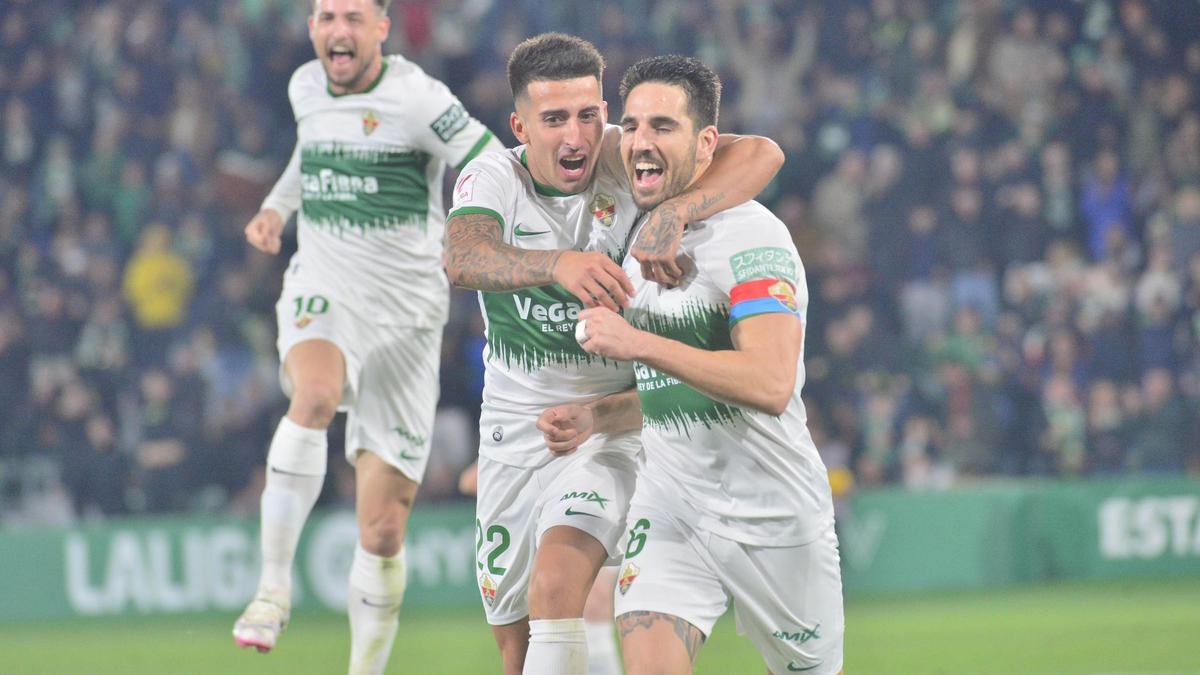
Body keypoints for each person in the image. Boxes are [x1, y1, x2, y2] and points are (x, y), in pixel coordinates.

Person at [443, 33, 783, 675]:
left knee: (556, 588)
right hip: (513, 434)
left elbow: (762, 153)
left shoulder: (627, 157)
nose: (576, 136)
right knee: (516, 649)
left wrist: (677, 209)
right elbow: (462, 258)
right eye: (554, 120)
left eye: (589, 115)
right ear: (519, 125)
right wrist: (558, 264)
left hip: (615, 425)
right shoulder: (493, 177)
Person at [231, 1, 502, 673]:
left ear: (383, 27)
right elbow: (310, 151)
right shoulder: (304, 86)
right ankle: (271, 587)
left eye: (353, 16)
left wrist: (476, 237)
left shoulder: (417, 98)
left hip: (407, 320)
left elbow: (489, 158)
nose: (337, 30)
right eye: (326, 16)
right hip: (323, 288)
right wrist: (276, 206)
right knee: (315, 395)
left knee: (381, 530)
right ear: (312, 27)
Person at [561, 55, 844, 675]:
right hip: (672, 509)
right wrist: (597, 416)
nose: (640, 142)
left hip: (771, 516)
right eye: (631, 126)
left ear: (706, 142)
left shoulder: (752, 239)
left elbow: (769, 384)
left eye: (663, 126)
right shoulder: (640, 245)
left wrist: (638, 345)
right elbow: (672, 387)